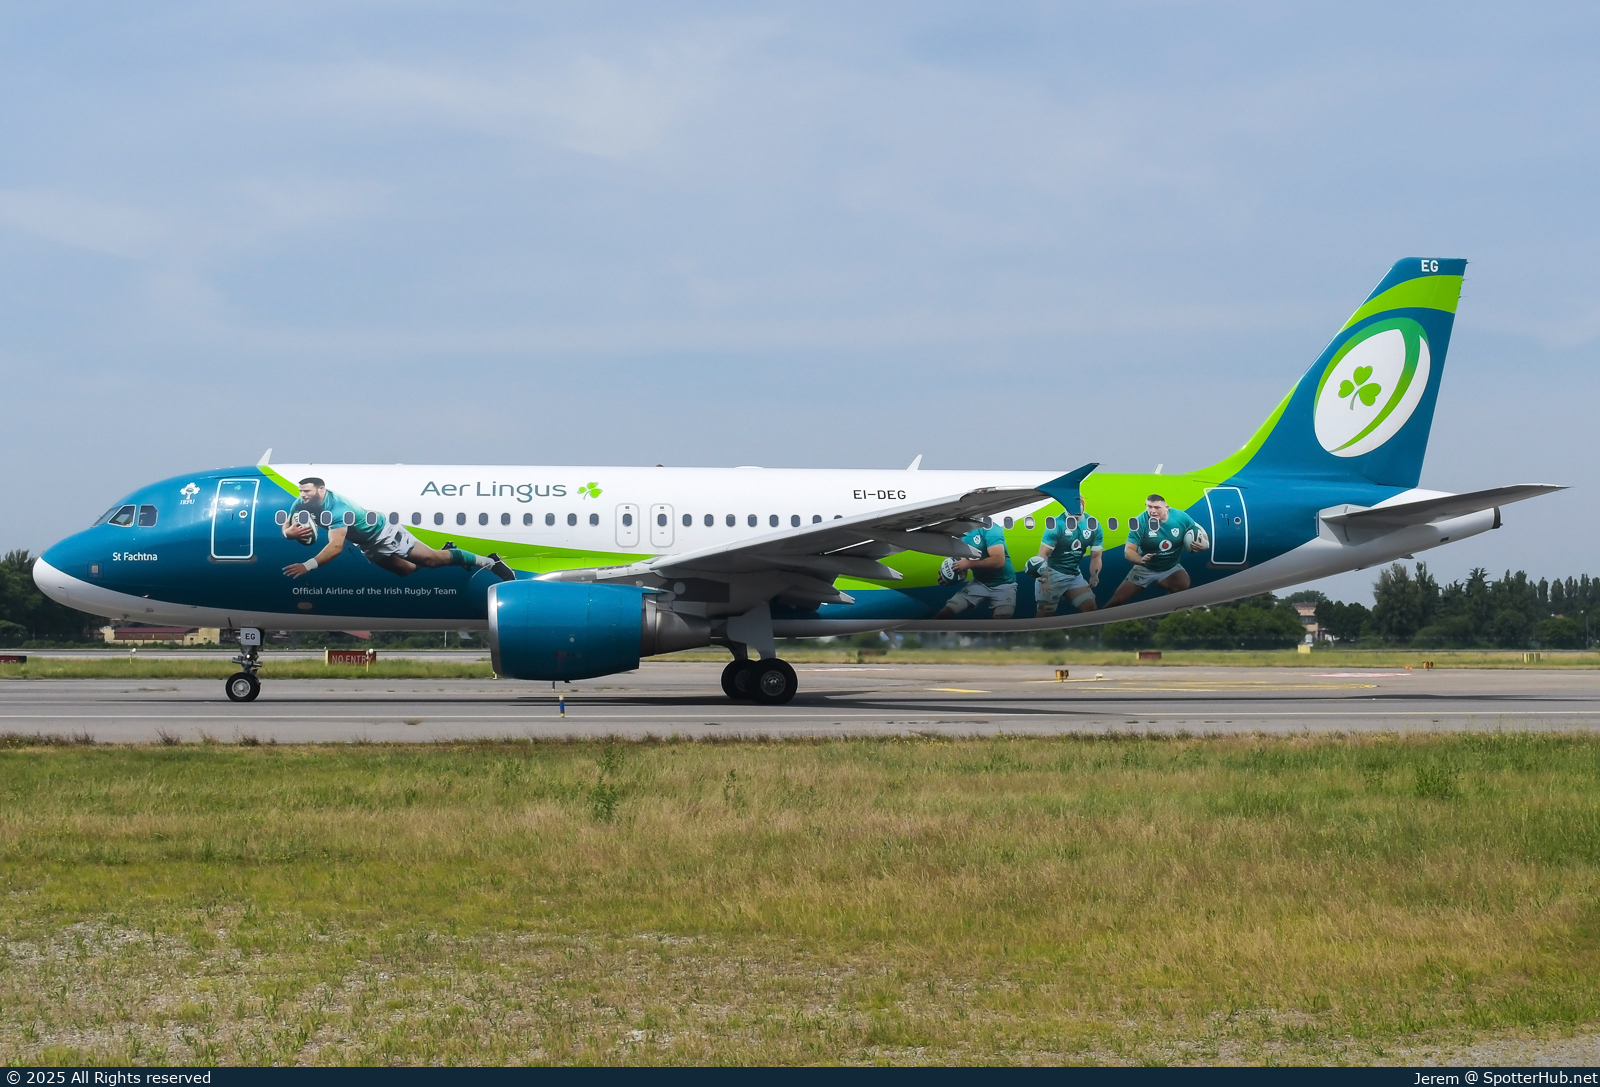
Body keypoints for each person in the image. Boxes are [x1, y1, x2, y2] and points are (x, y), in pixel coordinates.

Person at [281, 477, 514, 581]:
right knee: (406, 571)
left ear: (321, 489)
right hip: (367, 544)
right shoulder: (302, 501)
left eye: (308, 491)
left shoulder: (338, 509)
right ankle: (448, 552)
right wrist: (288, 533)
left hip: (383, 532)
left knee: (432, 561)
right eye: (302, 491)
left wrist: (307, 565)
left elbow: (335, 547)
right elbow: (287, 523)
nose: (303, 495)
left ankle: (489, 562)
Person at [1105, 494, 1209, 608]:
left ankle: (1165, 606)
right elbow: (1128, 550)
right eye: (1149, 507)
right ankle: (1099, 620)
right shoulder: (1140, 522)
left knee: (1183, 583)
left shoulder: (1180, 517)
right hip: (1145, 567)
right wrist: (1140, 560)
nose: (1152, 511)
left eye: (1157, 507)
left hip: (1170, 566)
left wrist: (1205, 544)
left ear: (1166, 508)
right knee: (1118, 600)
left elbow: (1197, 529)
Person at [935, 518, 1017, 619]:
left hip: (1004, 584)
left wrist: (969, 564)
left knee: (1001, 622)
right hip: (980, 582)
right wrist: (951, 575)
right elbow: (962, 565)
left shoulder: (990, 528)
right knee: (945, 612)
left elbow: (998, 561)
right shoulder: (959, 534)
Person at [1026, 508, 1103, 615]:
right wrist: (1044, 579)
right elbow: (1043, 555)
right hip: (1052, 574)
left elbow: (1096, 556)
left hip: (1074, 575)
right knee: (1045, 617)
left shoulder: (1093, 524)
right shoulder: (1057, 524)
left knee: (1089, 607)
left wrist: (1094, 575)